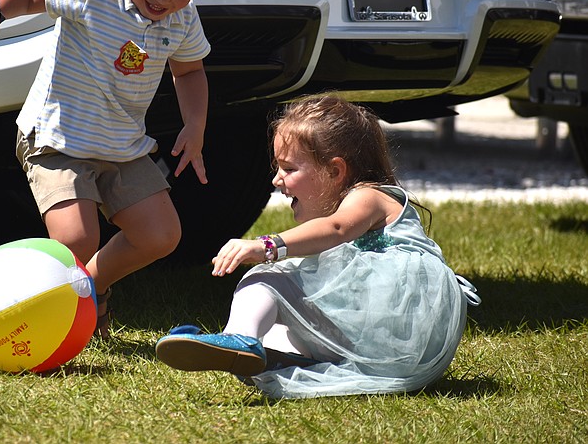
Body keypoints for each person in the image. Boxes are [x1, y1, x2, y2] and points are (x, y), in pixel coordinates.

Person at [0, 0, 222, 338]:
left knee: (161, 235)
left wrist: (195, 125)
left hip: (121, 144)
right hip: (58, 137)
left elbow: (189, 72)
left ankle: (89, 287)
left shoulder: (182, 16)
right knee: (77, 239)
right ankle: (42, 302)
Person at [155, 94, 480, 398]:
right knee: (277, 325)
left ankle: (240, 336)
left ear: (336, 170)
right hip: (397, 341)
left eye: (289, 168)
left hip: (387, 314)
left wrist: (268, 246)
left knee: (268, 276)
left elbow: (336, 228)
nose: (276, 179)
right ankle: (274, 356)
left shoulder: (367, 196)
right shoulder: (369, 200)